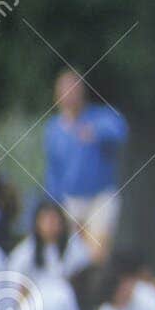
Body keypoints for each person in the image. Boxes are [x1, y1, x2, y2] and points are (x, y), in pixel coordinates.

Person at [43, 70, 128, 260]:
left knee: (96, 252)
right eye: (65, 91)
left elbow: (120, 131)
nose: (69, 95)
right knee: (69, 253)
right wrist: (53, 203)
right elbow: (53, 171)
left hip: (100, 197)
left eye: (74, 90)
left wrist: (96, 133)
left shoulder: (100, 117)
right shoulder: (53, 129)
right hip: (70, 200)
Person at [7, 200, 92, 285]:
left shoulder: (74, 245)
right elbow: (13, 276)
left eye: (54, 220)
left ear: (62, 222)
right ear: (37, 223)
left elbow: (84, 270)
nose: (50, 225)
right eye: (45, 220)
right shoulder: (26, 250)